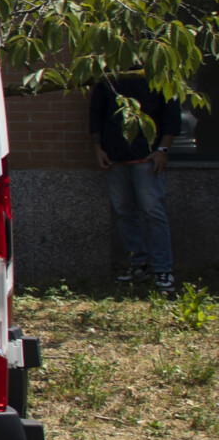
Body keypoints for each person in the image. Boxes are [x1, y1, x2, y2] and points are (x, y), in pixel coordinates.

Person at [92, 75, 180, 292]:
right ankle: (138, 264)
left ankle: (162, 270)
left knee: (153, 212)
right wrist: (98, 148)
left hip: (148, 156)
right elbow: (96, 112)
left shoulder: (158, 72)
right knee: (124, 212)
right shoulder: (109, 74)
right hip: (115, 155)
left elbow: (171, 115)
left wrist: (163, 150)